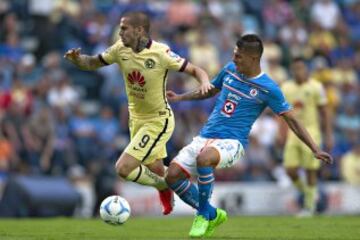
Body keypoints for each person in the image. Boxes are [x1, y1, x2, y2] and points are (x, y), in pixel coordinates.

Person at [165, 34, 333, 237]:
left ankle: (202, 215)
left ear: (254, 58)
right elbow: (209, 91)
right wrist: (181, 97)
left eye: (239, 56)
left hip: (232, 142)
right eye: (234, 55)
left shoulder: (269, 88)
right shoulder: (229, 69)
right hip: (205, 135)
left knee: (204, 159)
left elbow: (292, 120)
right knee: (172, 176)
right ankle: (211, 213)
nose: (234, 59)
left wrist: (315, 148)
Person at [64, 11, 212, 215]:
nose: (120, 32)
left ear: (140, 30)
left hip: (158, 120)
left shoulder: (161, 53)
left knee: (123, 168)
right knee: (157, 170)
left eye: (124, 28)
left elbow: (196, 70)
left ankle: (170, 191)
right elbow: (93, 62)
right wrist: (78, 60)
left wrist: (204, 82)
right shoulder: (119, 49)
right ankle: (193, 200)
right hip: (136, 120)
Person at [281, 57, 333, 217]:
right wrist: (280, 131)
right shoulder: (286, 87)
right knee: (290, 170)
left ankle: (309, 207)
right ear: (292, 70)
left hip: (312, 132)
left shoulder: (316, 87)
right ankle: (310, 193)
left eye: (301, 68)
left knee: (310, 169)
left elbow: (324, 112)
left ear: (307, 69)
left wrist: (329, 134)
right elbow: (281, 112)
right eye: (295, 68)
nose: (299, 71)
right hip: (293, 133)